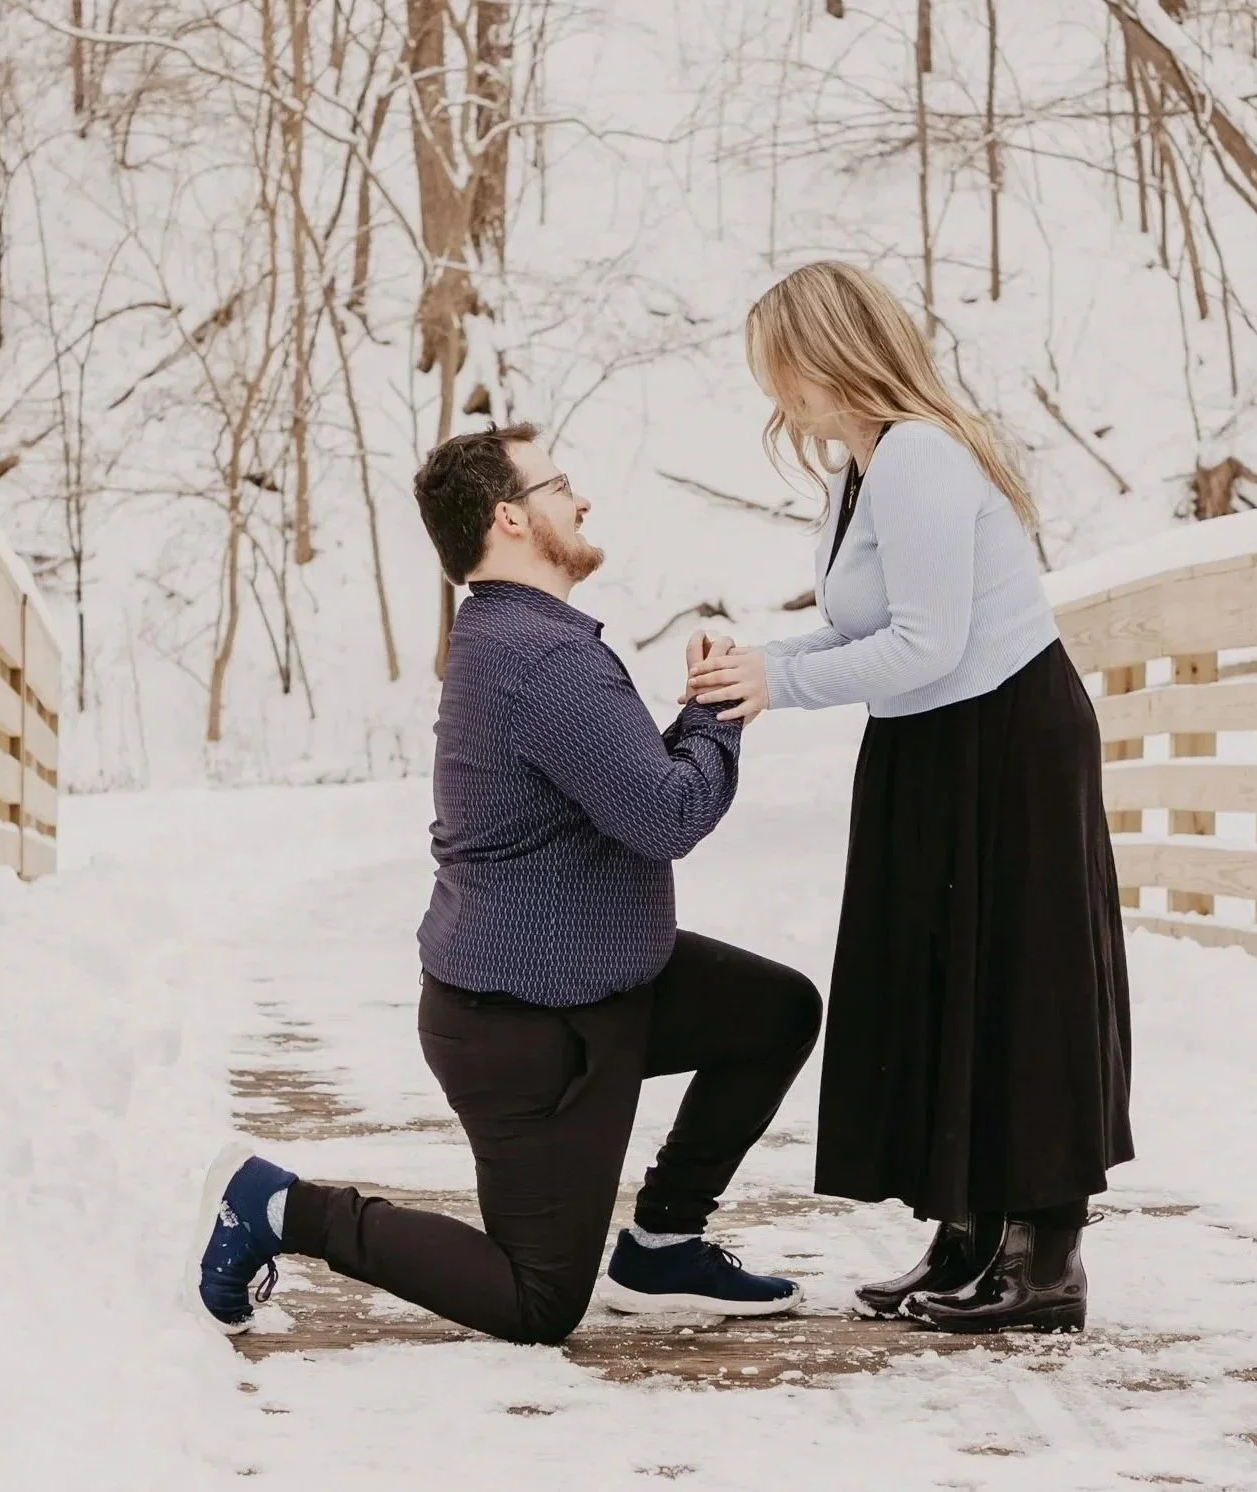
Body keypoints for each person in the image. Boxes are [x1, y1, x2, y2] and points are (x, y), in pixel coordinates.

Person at [193, 423, 821, 1346]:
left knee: (775, 1011)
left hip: (605, 985)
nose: (582, 498)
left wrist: (693, 722)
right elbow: (666, 817)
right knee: (537, 1303)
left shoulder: (515, 637)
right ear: (510, 518)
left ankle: (662, 1242)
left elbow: (632, 798)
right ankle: (279, 1207)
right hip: (527, 1036)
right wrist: (718, 710)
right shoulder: (541, 659)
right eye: (560, 483)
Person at [688, 261, 1134, 1334]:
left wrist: (778, 683)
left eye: (777, 365)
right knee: (941, 980)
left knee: (1015, 986)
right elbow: (863, 630)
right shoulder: (863, 468)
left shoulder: (920, 458)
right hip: (933, 737)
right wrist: (761, 661)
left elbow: (928, 644)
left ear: (823, 354)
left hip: (1003, 736)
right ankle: (968, 1234)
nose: (772, 391)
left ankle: (1042, 1263)